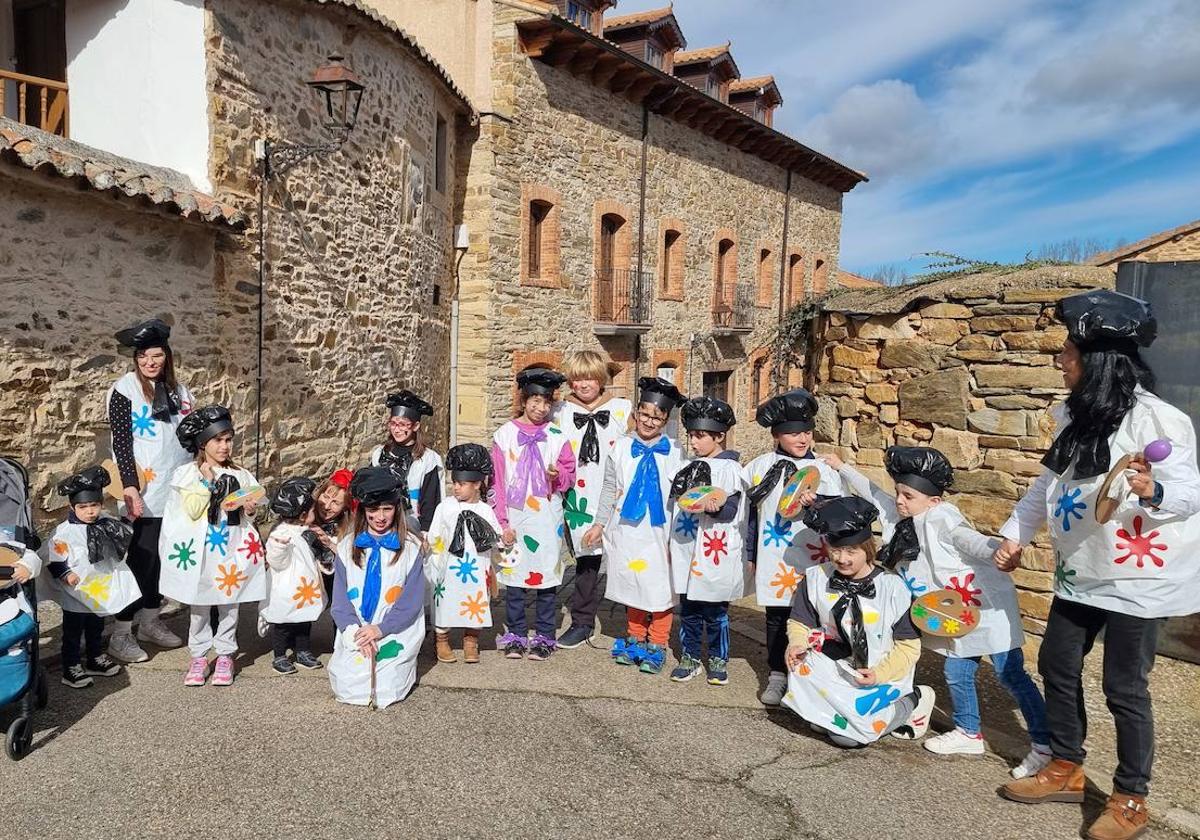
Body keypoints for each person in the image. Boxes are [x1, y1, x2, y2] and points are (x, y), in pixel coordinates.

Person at [994, 290, 1200, 840]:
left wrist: (1155, 489)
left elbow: (1188, 492)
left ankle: (1131, 796)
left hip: (1138, 579)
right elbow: (1048, 484)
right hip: (1080, 571)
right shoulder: (1074, 415)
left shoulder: (1160, 421)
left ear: (1098, 360)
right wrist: (1015, 534)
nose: (1060, 360)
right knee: (1058, 666)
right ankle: (1065, 766)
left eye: (1068, 352)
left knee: (1124, 687)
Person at [825, 446, 1050, 777]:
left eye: (908, 495)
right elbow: (872, 492)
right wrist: (843, 467)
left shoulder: (943, 519)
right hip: (953, 616)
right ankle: (969, 733)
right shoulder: (903, 517)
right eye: (899, 492)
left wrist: (1001, 551)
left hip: (984, 608)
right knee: (956, 673)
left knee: (1010, 673)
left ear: (933, 500)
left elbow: (970, 540)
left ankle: (1046, 744)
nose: (900, 501)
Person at [782, 495, 935, 748]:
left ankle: (915, 699)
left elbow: (909, 647)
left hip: (878, 673)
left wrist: (879, 674)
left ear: (867, 548)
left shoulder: (892, 587)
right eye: (836, 550)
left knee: (847, 737)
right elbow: (800, 622)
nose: (842, 559)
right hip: (835, 666)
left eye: (851, 551)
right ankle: (836, 707)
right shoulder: (815, 578)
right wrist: (796, 644)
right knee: (818, 721)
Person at [744, 388, 849, 706]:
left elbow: (841, 512)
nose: (801, 439)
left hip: (815, 557)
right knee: (777, 615)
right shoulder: (759, 467)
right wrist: (750, 553)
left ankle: (809, 678)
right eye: (792, 433)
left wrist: (819, 504)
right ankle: (777, 673)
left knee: (815, 617)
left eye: (806, 431)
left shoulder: (825, 469)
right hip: (776, 556)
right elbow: (750, 513)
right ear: (777, 435)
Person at [584, 377, 686, 675]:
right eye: (644, 414)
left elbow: (684, 494)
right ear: (635, 414)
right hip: (626, 530)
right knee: (633, 584)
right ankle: (635, 635)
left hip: (661, 532)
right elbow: (608, 488)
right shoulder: (620, 447)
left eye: (657, 417)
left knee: (659, 588)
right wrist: (599, 524)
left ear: (666, 419)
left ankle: (657, 642)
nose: (649, 421)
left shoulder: (678, 453)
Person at [158, 405, 265, 687]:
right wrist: (206, 482)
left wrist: (250, 508)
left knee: (230, 603)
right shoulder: (187, 474)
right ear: (203, 443)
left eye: (228, 440)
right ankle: (199, 655)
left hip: (231, 548)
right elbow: (192, 510)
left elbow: (248, 513)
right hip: (201, 550)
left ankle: (227, 653)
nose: (224, 446)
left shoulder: (241, 474)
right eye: (218, 440)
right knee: (200, 603)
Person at [106, 318, 190, 662]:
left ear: (166, 357)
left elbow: (188, 437)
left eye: (156, 356)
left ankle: (151, 621)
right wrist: (130, 488)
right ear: (135, 359)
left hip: (177, 489)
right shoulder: (124, 390)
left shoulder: (180, 392)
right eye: (143, 357)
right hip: (143, 490)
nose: (150, 363)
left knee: (163, 560)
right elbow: (122, 443)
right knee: (141, 560)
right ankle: (122, 632)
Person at [490, 369, 576, 660]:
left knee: (546, 578)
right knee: (514, 578)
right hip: (516, 516)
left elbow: (570, 474)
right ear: (524, 400)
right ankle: (514, 633)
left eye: (546, 403)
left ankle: (544, 634)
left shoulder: (557, 436)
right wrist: (501, 520)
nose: (541, 408)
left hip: (546, 519)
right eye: (535, 401)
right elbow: (497, 481)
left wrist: (557, 475)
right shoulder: (505, 435)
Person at [552, 351, 631, 650]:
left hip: (614, 494)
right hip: (578, 498)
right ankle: (583, 622)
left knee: (626, 558)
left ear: (601, 380)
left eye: (590, 378)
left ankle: (634, 624)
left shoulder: (623, 410)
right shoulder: (559, 411)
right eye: (577, 378)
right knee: (586, 563)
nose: (584, 384)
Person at [328, 467, 426, 708]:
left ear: (397, 509)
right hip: (357, 630)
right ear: (362, 511)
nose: (380, 517)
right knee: (349, 687)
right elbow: (340, 600)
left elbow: (411, 601)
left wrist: (381, 629)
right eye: (373, 510)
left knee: (386, 688)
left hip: (394, 629)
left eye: (387, 509)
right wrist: (356, 633)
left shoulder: (411, 549)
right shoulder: (346, 548)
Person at [667, 396, 749, 686]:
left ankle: (717, 657)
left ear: (720, 436)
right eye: (691, 435)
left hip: (716, 551)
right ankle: (689, 656)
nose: (694, 442)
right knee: (688, 609)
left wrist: (718, 509)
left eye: (700, 436)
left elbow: (734, 509)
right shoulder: (689, 467)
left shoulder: (732, 471)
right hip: (688, 548)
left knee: (715, 611)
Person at [45, 466, 136, 688]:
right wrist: (66, 574)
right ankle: (71, 666)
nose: (90, 512)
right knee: (73, 631)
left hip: (99, 587)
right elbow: (53, 559)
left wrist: (128, 522)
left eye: (94, 505)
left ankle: (95, 658)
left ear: (101, 504)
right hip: (76, 591)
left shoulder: (106, 523)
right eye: (83, 507)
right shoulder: (64, 532)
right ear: (72, 506)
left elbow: (123, 537)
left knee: (97, 625)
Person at [425, 443, 502, 664]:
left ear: (477, 484)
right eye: (454, 483)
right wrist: (435, 557)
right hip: (449, 568)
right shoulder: (445, 507)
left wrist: (504, 539)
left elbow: (495, 536)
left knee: (475, 603)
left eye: (461, 484)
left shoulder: (486, 510)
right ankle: (441, 640)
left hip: (477, 568)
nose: (456, 488)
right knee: (445, 603)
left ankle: (471, 641)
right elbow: (435, 535)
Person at [261, 477, 326, 676]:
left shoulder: (307, 531)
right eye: (314, 510)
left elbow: (316, 556)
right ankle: (279, 655)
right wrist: (280, 547)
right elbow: (277, 561)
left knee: (304, 621)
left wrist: (322, 549)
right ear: (303, 514)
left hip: (304, 588)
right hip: (285, 587)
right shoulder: (280, 533)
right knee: (282, 624)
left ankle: (303, 651)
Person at [370, 390, 444, 536]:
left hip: (412, 527)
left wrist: (425, 533)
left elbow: (430, 500)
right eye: (393, 423)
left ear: (415, 426)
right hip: (380, 526)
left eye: (403, 425)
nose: (397, 430)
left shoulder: (428, 459)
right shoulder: (379, 454)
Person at [310, 468, 353, 600]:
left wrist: (329, 544)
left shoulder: (351, 527)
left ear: (345, 507)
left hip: (334, 588)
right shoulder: (305, 514)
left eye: (336, 502)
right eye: (326, 497)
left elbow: (353, 561)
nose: (327, 506)